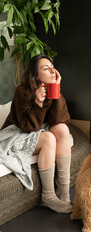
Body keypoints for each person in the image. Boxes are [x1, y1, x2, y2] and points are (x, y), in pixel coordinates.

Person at [0, 54, 72, 213]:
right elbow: (27, 127)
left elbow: (61, 120)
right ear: (35, 74)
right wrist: (38, 102)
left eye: (53, 67)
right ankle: (48, 196)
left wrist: (56, 88)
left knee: (62, 129)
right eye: (46, 68)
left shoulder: (51, 89)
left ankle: (65, 194)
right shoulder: (22, 92)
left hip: (37, 130)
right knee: (48, 138)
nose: (52, 71)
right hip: (17, 133)